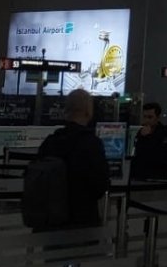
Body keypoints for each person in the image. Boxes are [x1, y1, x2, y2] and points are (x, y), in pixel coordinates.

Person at [36, 89, 111, 228]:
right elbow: (100, 184)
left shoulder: (51, 141)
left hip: (51, 219)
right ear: (89, 111)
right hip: (82, 217)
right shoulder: (91, 143)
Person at [131, 101, 167, 180]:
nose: (147, 120)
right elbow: (136, 151)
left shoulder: (165, 133)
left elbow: (161, 154)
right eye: (145, 117)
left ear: (157, 118)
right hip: (139, 176)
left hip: (156, 176)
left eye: (150, 117)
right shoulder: (141, 132)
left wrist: (147, 138)